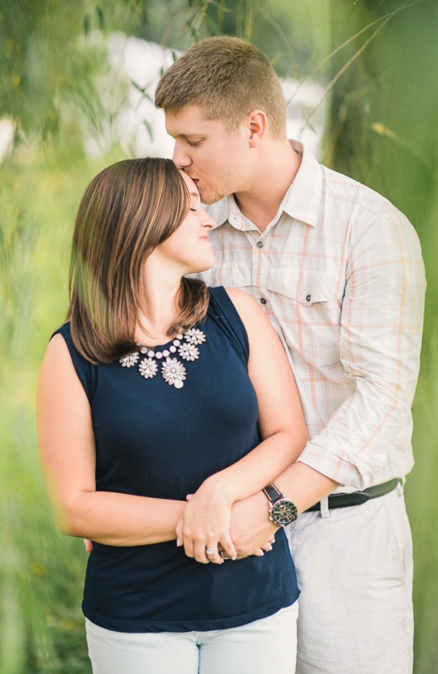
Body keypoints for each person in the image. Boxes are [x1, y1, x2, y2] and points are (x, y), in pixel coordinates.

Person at [154, 36, 425, 674]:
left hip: (347, 537)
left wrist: (275, 506)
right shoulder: (192, 231)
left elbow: (383, 399)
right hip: (227, 533)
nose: (178, 160)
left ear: (254, 127)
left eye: (193, 141)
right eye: (173, 141)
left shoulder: (367, 227)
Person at [37, 157, 310, 673]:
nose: (208, 219)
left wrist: (220, 492)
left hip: (255, 602)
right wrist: (206, 519)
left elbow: (288, 433)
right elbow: (72, 507)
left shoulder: (237, 313)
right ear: (141, 222)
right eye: (190, 208)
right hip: (137, 616)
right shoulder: (72, 352)